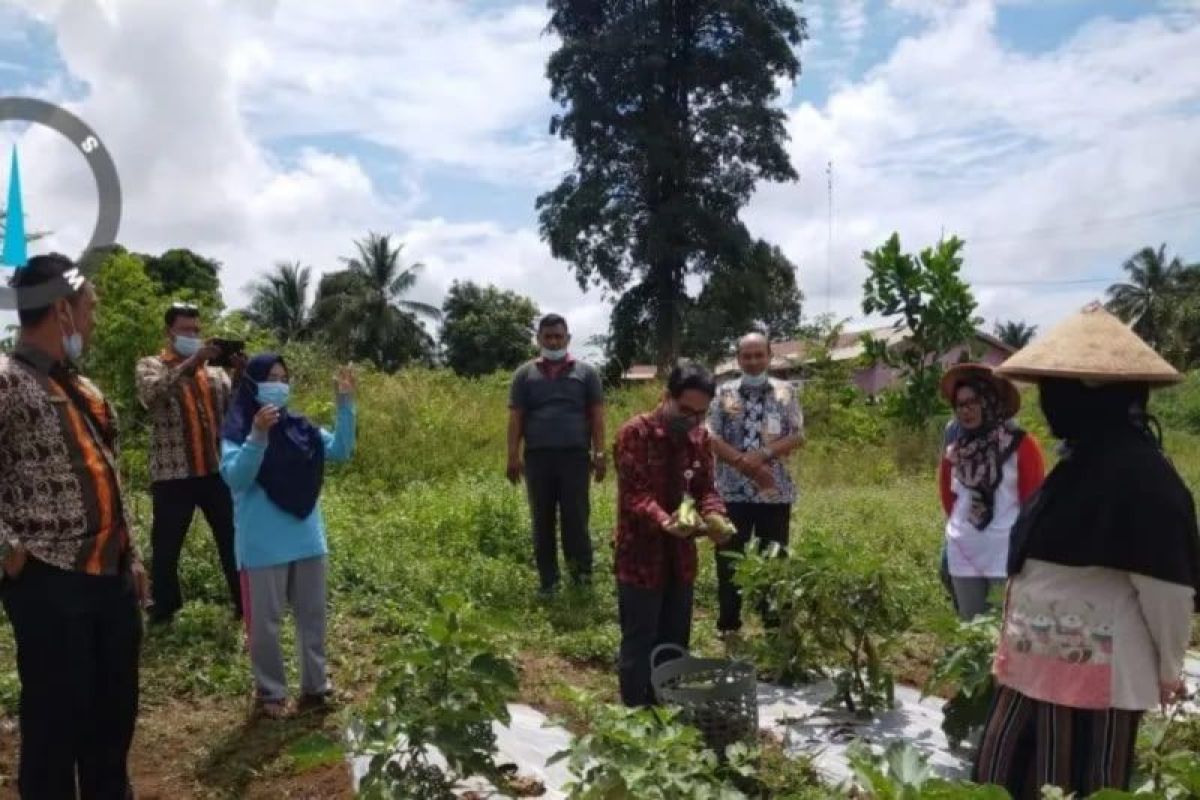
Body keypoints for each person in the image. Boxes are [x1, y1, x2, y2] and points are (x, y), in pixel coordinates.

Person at [974, 303, 1200, 798]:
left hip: (1096, 670)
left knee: (1082, 776)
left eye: (1059, 391)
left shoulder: (1144, 476)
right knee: (1016, 769)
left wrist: (1167, 669)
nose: (1050, 404)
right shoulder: (1080, 459)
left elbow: (1168, 589)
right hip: (1035, 657)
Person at [0, 254, 148, 798]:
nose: (92, 319)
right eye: (88, 308)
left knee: (112, 726)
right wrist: (7, 549)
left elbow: (112, 477)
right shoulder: (7, 382)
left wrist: (130, 556)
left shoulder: (85, 390)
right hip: (49, 584)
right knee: (54, 733)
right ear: (62, 310)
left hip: (109, 585)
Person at [219, 354, 357, 719]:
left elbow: (341, 450)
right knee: (264, 626)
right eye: (270, 378)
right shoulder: (237, 431)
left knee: (312, 618)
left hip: (308, 540)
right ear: (252, 384)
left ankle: (315, 686)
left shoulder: (301, 427)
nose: (278, 385)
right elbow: (236, 478)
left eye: (283, 378)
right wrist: (257, 437)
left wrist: (345, 403)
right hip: (262, 547)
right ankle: (270, 693)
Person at [613, 360, 734, 706]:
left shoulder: (699, 439)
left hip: (679, 558)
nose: (692, 419)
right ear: (666, 397)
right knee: (640, 639)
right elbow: (636, 496)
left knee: (675, 639)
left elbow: (705, 488)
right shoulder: (634, 433)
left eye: (700, 413)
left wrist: (714, 514)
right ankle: (635, 714)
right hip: (640, 556)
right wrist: (666, 521)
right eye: (685, 410)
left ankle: (668, 710)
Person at [136, 302, 244, 624]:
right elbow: (151, 395)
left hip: (214, 470)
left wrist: (239, 377)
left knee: (232, 539)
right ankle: (165, 609)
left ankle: (243, 601)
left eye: (197, 330)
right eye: (186, 330)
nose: (193, 335)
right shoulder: (151, 365)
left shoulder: (214, 373)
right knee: (166, 547)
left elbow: (234, 413)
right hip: (173, 474)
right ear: (169, 331)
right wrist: (191, 362)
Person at [706, 333, 804, 638]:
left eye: (758, 355)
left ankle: (773, 624)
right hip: (731, 491)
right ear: (738, 359)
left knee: (773, 559)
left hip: (773, 492)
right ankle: (729, 625)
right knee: (729, 557)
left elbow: (798, 435)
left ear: (769, 356)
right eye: (746, 356)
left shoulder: (786, 392)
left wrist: (762, 454)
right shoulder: (723, 393)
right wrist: (740, 461)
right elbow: (709, 435)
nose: (752, 361)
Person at [507, 314, 606, 597]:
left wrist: (599, 453)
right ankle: (548, 582)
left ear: (568, 338)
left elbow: (597, 417)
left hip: (575, 458)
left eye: (558, 336)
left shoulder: (587, 373)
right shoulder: (524, 375)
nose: (553, 341)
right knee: (542, 519)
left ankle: (581, 578)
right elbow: (516, 418)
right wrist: (513, 456)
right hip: (538, 459)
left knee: (576, 518)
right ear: (538, 339)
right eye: (547, 336)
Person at [938, 364, 1045, 621]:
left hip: (1004, 553)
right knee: (971, 630)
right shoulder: (955, 449)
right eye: (960, 404)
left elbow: (1033, 503)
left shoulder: (1021, 445)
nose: (967, 410)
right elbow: (948, 499)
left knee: (1004, 632)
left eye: (974, 401)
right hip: (964, 551)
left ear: (989, 400)